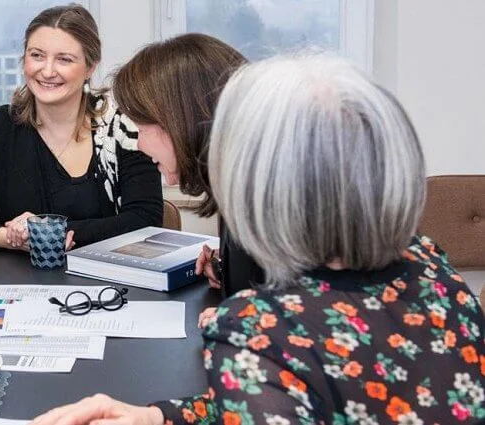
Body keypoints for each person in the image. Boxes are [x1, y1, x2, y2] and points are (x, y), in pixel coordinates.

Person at [30, 55, 485, 424]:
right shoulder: (431, 262)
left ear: (255, 183)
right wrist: (158, 417)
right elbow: (313, 397)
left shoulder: (260, 332)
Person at [0, 4, 162, 253]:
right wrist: (12, 238)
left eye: (64, 59)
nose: (47, 71)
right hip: (20, 281)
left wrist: (49, 232)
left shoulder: (122, 127)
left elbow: (146, 219)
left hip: (106, 281)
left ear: (90, 67)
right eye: (37, 55)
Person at [112, 34, 264, 321]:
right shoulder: (242, 186)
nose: (140, 145)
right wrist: (227, 267)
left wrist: (242, 320)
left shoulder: (264, 201)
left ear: (182, 120)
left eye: (143, 128)